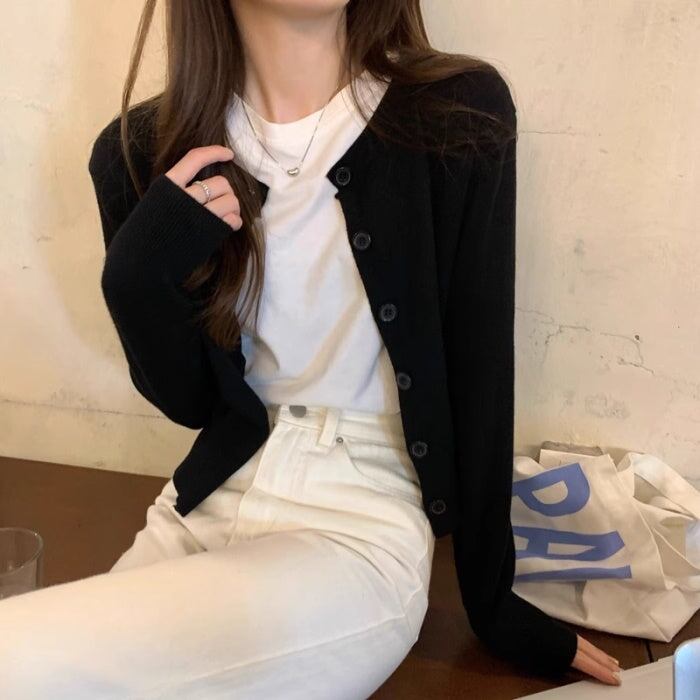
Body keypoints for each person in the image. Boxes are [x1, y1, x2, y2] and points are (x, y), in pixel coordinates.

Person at [0, 0, 621, 696]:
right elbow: (191, 402)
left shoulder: (455, 114)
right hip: (203, 505)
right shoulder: (140, 151)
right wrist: (137, 276)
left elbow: (482, 374)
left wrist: (495, 604)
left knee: (20, 661)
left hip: (360, 521)